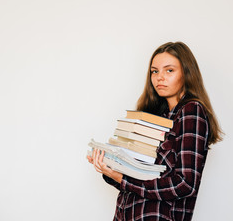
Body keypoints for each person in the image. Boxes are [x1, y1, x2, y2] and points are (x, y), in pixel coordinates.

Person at [87, 41, 223, 221]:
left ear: (187, 73)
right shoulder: (156, 117)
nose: (160, 77)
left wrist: (123, 179)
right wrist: (109, 169)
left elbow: (184, 183)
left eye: (169, 70)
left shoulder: (191, 111)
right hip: (126, 214)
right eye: (154, 71)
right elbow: (135, 178)